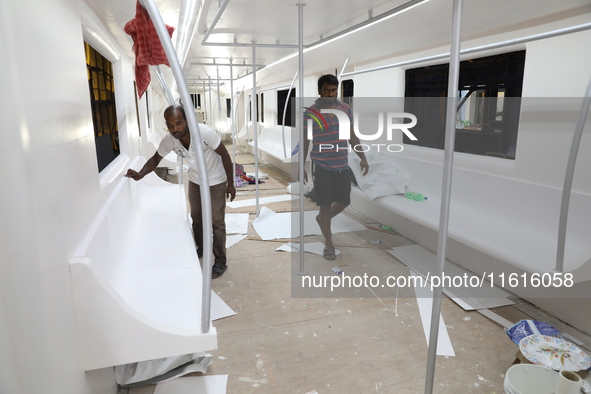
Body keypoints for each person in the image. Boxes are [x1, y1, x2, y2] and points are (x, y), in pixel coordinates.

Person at [126, 105, 236, 278]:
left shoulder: (205, 133)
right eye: (170, 125)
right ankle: (201, 249)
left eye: (178, 123)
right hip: (195, 179)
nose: (175, 129)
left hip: (216, 179)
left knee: (216, 222)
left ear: (187, 120)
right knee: (196, 218)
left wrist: (231, 183)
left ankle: (221, 262)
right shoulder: (170, 139)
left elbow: (225, 155)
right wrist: (140, 174)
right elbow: (156, 158)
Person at [303, 74, 369, 260]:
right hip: (321, 164)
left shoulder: (345, 109)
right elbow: (306, 140)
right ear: (319, 90)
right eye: (327, 90)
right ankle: (329, 243)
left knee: (344, 201)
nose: (330, 94)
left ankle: (323, 220)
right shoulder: (311, 112)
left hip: (341, 163)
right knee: (325, 205)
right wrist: (303, 166)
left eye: (333, 90)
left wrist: (362, 157)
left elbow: (352, 135)